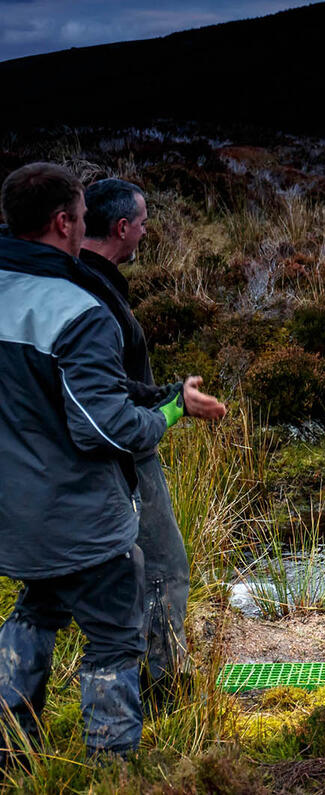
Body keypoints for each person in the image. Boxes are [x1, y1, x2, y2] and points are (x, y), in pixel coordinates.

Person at [0, 163, 185, 759]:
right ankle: (111, 767)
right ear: (63, 221)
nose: (84, 228)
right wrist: (165, 417)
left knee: (36, 610)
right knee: (113, 638)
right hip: (80, 516)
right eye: (80, 217)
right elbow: (104, 429)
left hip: (14, 512)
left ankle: (12, 748)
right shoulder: (76, 311)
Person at [78, 178, 227, 708]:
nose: (146, 230)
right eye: (142, 221)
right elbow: (109, 394)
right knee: (164, 568)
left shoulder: (75, 282)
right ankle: (166, 693)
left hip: (76, 460)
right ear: (122, 227)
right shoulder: (94, 296)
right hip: (122, 453)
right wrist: (173, 404)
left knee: (61, 590)